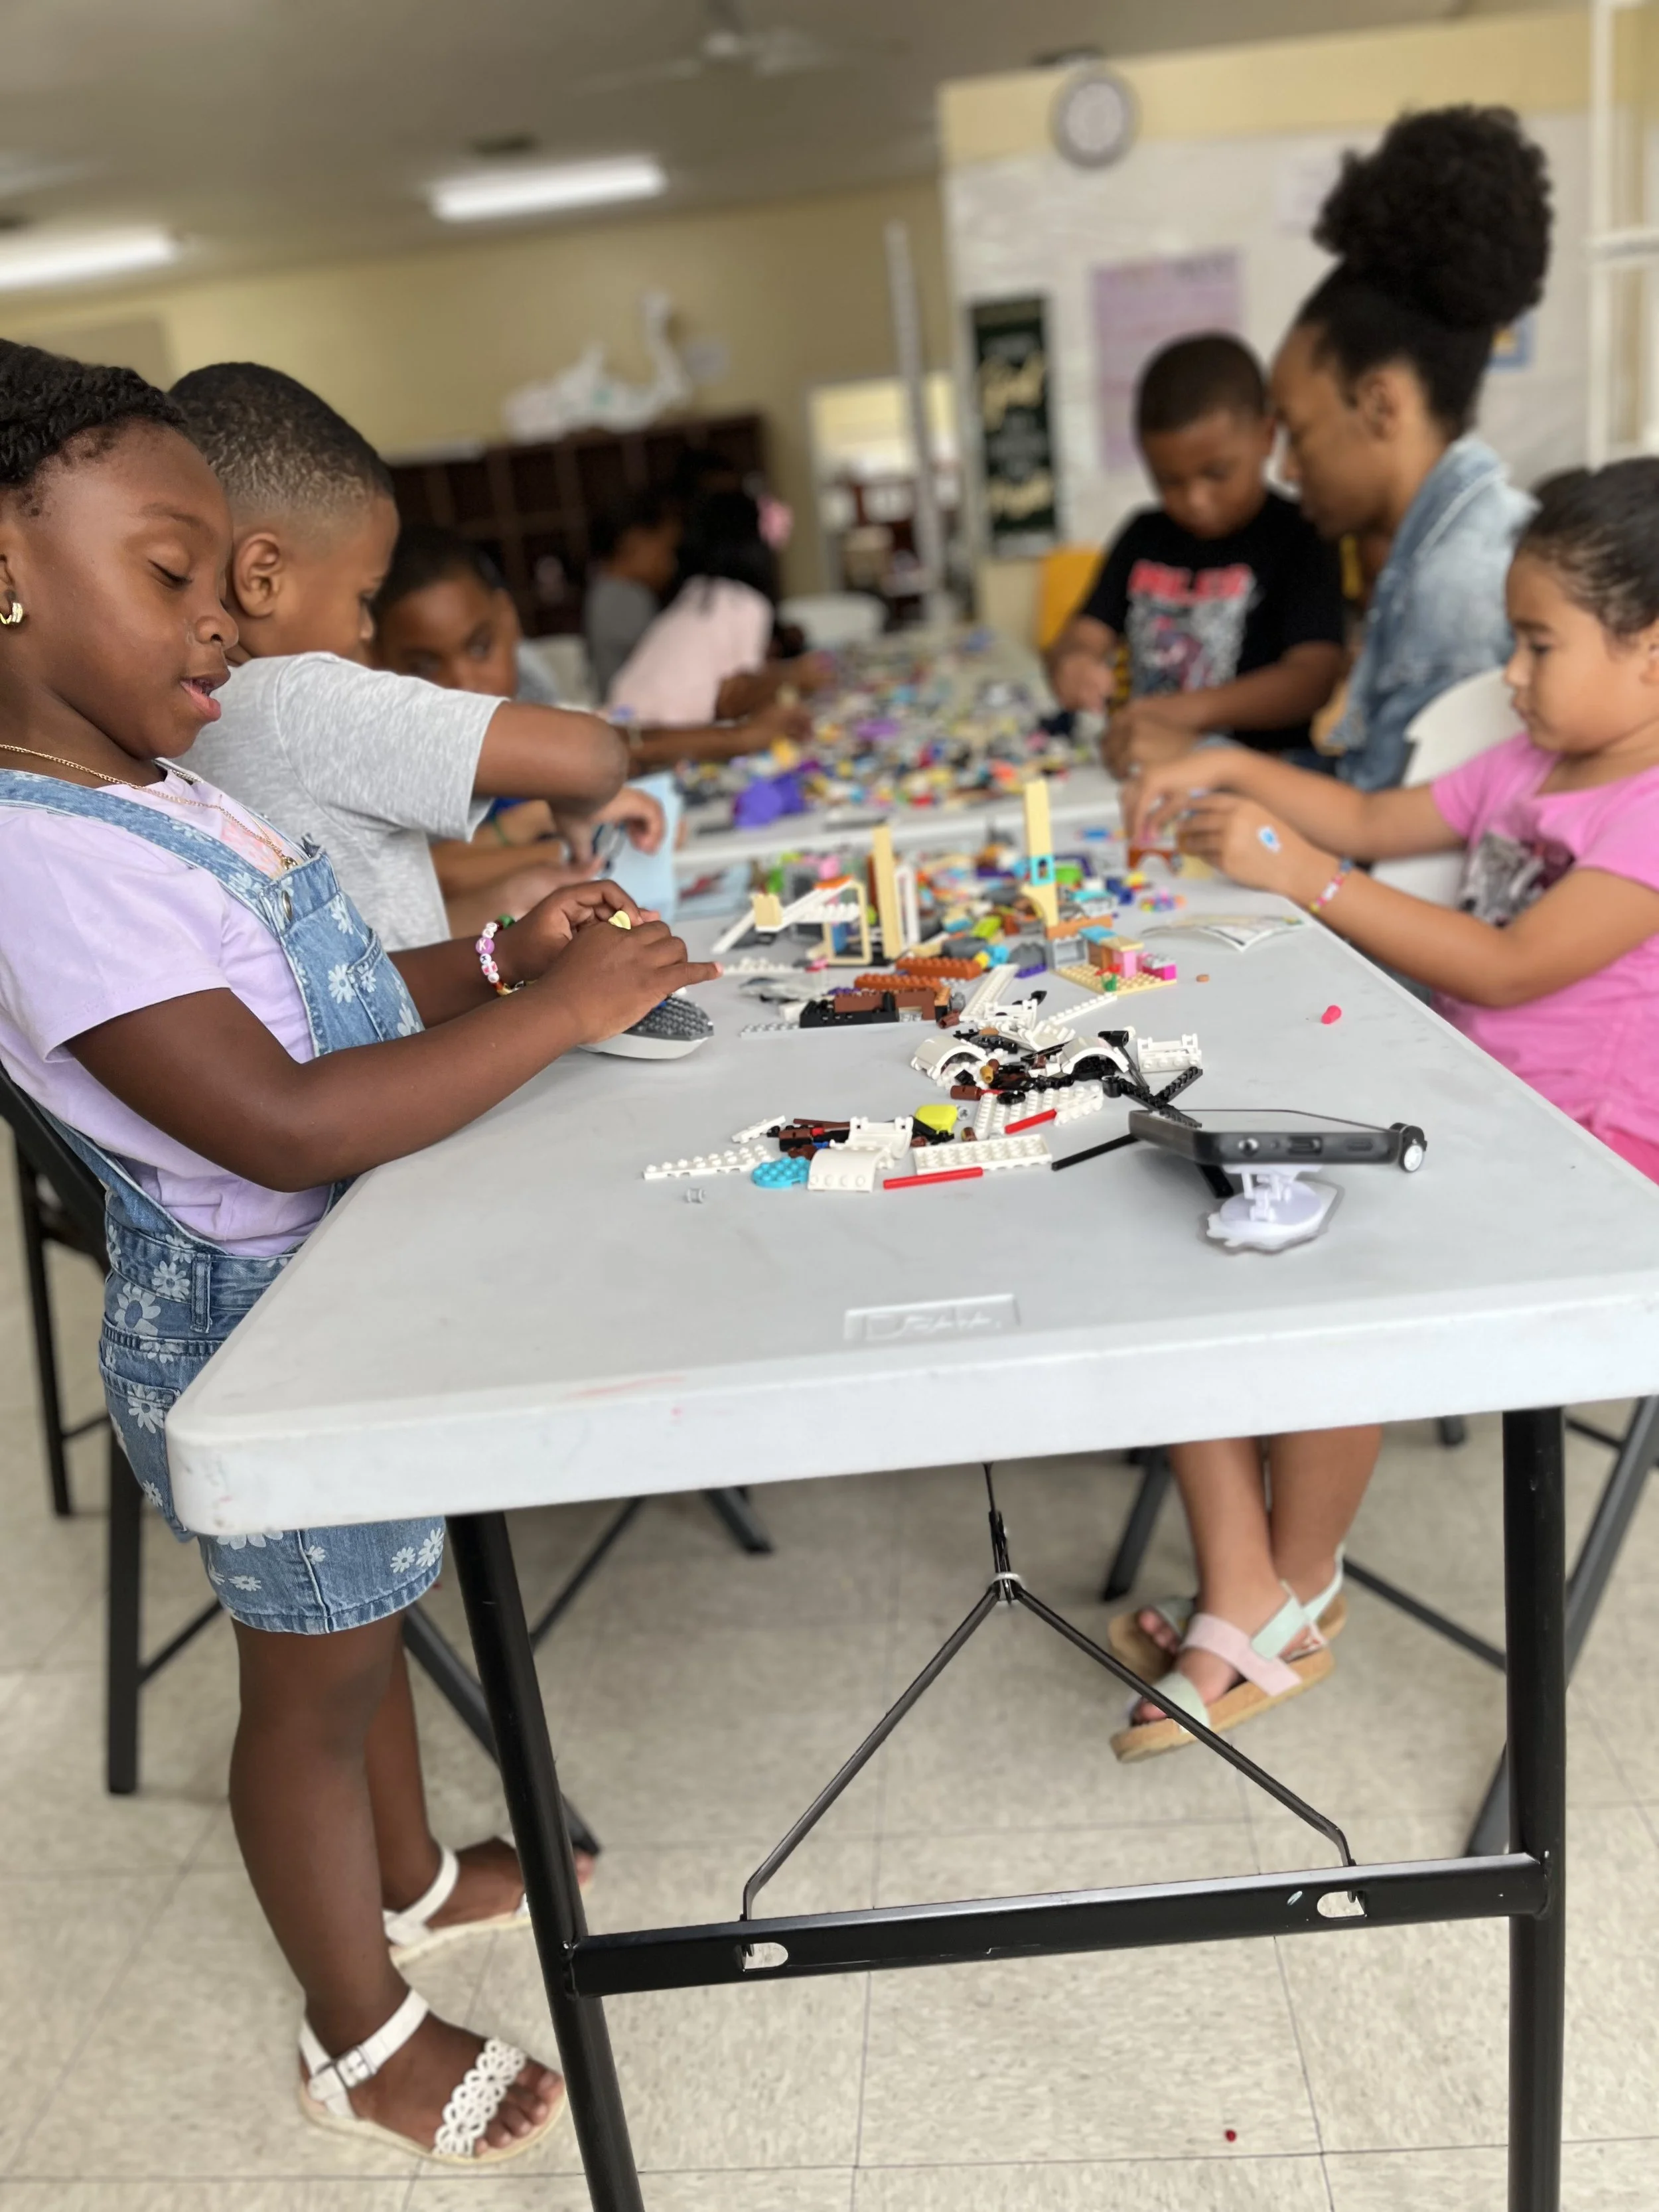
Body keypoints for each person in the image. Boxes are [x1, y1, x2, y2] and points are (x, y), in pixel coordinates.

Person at [0, 343, 717, 2156]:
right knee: (308, 1692)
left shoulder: (156, 791)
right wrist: (558, 1021)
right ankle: (359, 2029)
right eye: (169, 575)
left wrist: (489, 965)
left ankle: (402, 1874)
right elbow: (285, 1119)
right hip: (257, 1325)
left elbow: (309, 1012)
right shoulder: (42, 858)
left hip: (333, 1291)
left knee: (363, 1620)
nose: (218, 622)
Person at [1115, 457, 1659, 1757]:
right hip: (1472, 1101)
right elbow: (1364, 808)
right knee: (1176, 1198)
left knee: (1315, 1242)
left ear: (1651, 653)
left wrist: (1298, 874)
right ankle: (1247, 1574)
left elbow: (1513, 965)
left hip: (1589, 1162)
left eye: (1535, 644)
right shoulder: (1534, 763)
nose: (1511, 679)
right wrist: (1218, 770)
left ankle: (1281, 1593)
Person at [166, 362, 655, 950]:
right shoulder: (297, 696)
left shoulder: (191, 719)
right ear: (263, 577)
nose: (365, 628)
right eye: (364, 596)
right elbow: (594, 754)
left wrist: (506, 901)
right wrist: (577, 800)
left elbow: (365, 941)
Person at [1262, 104, 1553, 792]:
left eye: (1298, 432)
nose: (1287, 468)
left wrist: (1213, 770)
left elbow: (1386, 837)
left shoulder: (1454, 587)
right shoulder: (1434, 553)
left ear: (1380, 405)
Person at [1046, 334, 1346, 774]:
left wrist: (1186, 712)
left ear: (1267, 436)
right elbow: (1084, 634)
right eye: (1168, 481)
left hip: (1264, 784)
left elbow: (1312, 677)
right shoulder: (1142, 536)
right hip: (1148, 775)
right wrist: (1072, 662)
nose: (1195, 499)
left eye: (1217, 473)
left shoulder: (1301, 534)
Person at [608, 486, 833, 723]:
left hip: (620, 719)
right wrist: (793, 676)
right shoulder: (746, 603)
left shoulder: (695, 591)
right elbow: (733, 698)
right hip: (664, 731)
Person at [583, 489, 679, 698]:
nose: (672, 563)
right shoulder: (623, 598)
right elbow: (664, 668)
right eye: (666, 550)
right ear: (634, 543)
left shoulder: (610, 590)